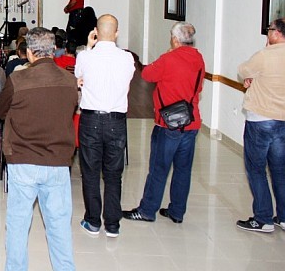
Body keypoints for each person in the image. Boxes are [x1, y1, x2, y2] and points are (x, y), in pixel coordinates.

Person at [0, 27, 78, 271]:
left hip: (23, 159)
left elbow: (0, 111)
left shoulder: (18, 80)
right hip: (58, 160)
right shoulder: (70, 80)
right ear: (54, 50)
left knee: (18, 223)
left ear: (29, 53)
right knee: (59, 223)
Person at [123, 22, 205, 225]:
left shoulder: (169, 59)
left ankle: (147, 210)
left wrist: (166, 55)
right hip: (191, 121)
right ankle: (177, 211)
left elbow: (147, 74)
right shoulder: (198, 58)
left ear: (175, 39)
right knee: (183, 170)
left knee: (159, 168)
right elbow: (199, 86)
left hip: (168, 123)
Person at [74, 15, 135, 238]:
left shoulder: (85, 56)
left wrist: (89, 46)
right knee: (113, 173)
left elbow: (78, 76)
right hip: (116, 121)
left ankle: (92, 221)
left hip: (90, 119)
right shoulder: (127, 58)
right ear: (117, 33)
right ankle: (112, 224)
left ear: (96, 32)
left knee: (90, 172)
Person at [235, 18, 285, 233]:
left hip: (260, 121)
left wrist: (251, 77)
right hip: (282, 121)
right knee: (280, 171)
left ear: (277, 33)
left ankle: (263, 218)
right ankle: (283, 217)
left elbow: (243, 69)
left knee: (256, 169)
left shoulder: (265, 55)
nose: (267, 33)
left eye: (269, 30)